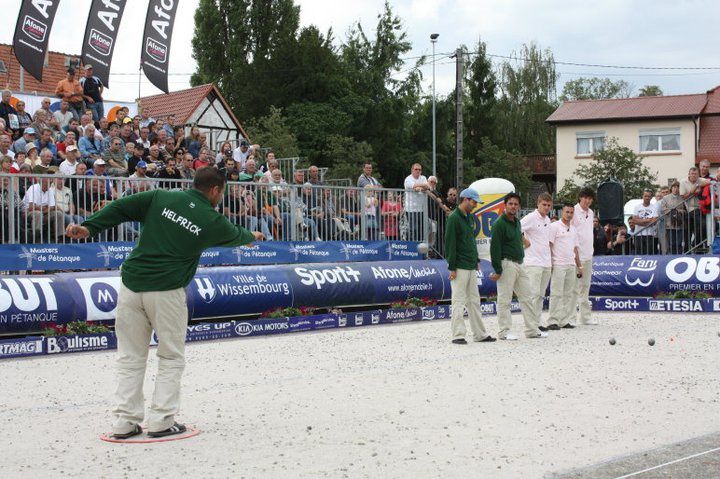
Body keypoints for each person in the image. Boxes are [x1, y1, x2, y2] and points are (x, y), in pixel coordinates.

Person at [65, 167, 264, 439]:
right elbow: (239, 235)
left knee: (130, 357)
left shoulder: (160, 197)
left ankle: (124, 422)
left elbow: (120, 207)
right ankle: (161, 420)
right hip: (167, 291)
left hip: (131, 285)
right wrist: (255, 237)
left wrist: (89, 226)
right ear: (216, 190)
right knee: (170, 356)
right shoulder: (211, 220)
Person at [489, 193, 547, 340]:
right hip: (506, 263)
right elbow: (494, 249)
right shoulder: (499, 224)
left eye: (516, 204)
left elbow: (521, 241)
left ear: (519, 207)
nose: (513, 206)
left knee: (527, 297)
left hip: (520, 263)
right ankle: (504, 331)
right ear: (505, 205)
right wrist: (497, 269)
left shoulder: (517, 223)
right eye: (510, 204)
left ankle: (532, 329)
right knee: (505, 299)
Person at [446, 188, 495, 344]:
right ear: (465, 199)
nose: (475, 205)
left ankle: (479, 334)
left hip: (470, 265)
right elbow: (450, 244)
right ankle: (458, 334)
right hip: (459, 266)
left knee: (474, 300)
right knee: (458, 300)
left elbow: (470, 242)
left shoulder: (469, 217)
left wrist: (475, 261)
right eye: (474, 202)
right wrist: (452, 267)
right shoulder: (454, 218)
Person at [520, 192, 553, 332]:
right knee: (533, 294)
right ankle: (531, 324)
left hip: (546, 262)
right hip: (533, 262)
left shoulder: (548, 220)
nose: (546, 207)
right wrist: (524, 241)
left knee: (540, 295)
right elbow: (516, 227)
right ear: (538, 204)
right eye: (544, 205)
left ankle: (537, 322)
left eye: (548, 205)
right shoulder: (531, 217)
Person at [547, 204, 583, 329]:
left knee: (568, 294)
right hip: (558, 264)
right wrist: (550, 263)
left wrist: (579, 266)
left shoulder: (573, 229)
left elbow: (575, 249)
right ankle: (553, 320)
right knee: (556, 293)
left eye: (571, 212)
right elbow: (549, 245)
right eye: (567, 212)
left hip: (571, 265)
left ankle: (564, 320)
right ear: (562, 212)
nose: (569, 214)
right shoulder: (554, 226)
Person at [570, 187, 597, 326]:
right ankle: (571, 318)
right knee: (574, 287)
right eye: (585, 198)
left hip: (588, 255)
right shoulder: (573, 212)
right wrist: (575, 255)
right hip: (576, 256)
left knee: (585, 287)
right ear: (580, 197)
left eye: (590, 198)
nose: (587, 201)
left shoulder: (591, 212)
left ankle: (585, 318)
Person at [680, 166, 711, 252]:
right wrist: (693, 191)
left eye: (696, 174)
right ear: (689, 174)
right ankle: (694, 246)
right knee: (701, 226)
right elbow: (683, 197)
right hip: (691, 208)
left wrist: (698, 184)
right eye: (692, 174)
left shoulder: (700, 180)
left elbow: (710, 181)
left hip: (702, 208)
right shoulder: (683, 182)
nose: (694, 175)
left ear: (698, 175)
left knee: (707, 226)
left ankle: (696, 245)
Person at [403, 163, 429, 241]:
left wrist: (419, 186)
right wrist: (422, 186)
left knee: (421, 230)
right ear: (412, 170)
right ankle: (412, 247)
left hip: (421, 209)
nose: (418, 171)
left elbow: (427, 186)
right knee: (413, 229)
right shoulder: (408, 179)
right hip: (411, 209)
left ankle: (420, 246)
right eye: (416, 169)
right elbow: (415, 186)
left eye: (419, 169)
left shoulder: (423, 177)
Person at [661, 181, 686, 255]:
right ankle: (672, 257)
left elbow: (685, 210)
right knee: (672, 243)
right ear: (671, 188)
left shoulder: (682, 197)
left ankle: (679, 257)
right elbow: (663, 209)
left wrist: (677, 211)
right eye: (674, 187)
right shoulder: (665, 198)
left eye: (678, 187)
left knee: (679, 243)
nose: (676, 189)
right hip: (669, 225)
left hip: (680, 225)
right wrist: (672, 211)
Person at [632, 188, 659, 255]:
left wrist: (640, 221)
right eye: (645, 196)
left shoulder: (654, 207)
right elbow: (634, 220)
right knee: (639, 254)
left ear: (651, 197)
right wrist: (648, 220)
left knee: (649, 254)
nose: (647, 198)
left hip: (650, 235)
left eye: (649, 196)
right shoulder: (637, 207)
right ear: (642, 196)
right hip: (638, 234)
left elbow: (654, 222)